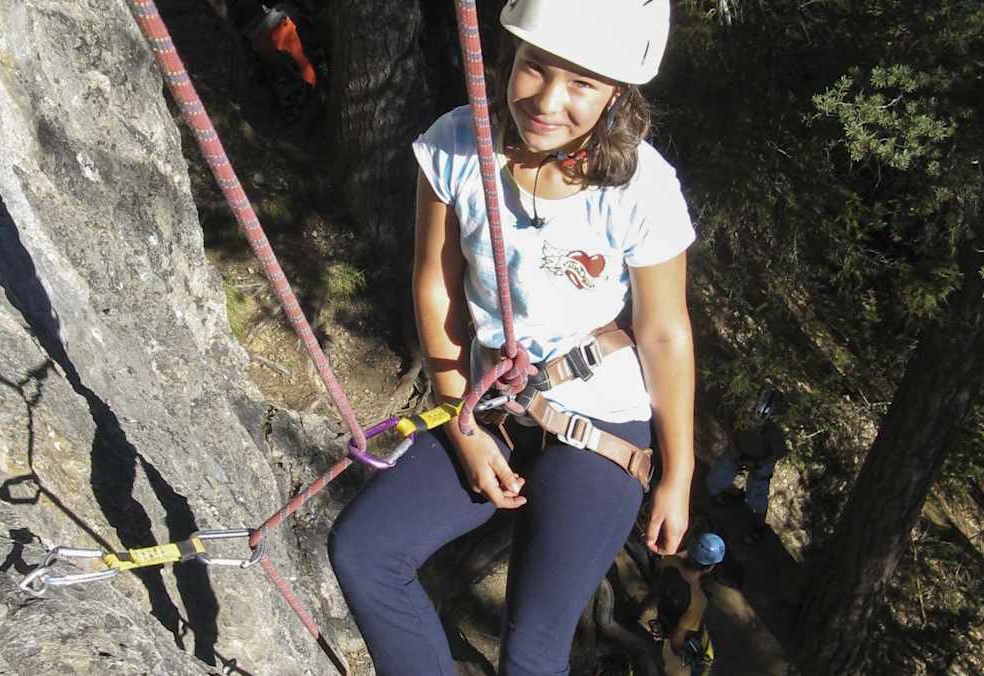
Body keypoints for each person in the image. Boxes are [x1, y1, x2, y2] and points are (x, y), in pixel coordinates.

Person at [328, 1, 696, 673]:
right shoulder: (456, 143)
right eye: (534, 68)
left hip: (601, 420)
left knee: (531, 648)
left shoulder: (641, 187)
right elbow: (435, 284)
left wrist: (679, 472)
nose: (547, 100)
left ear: (617, 93)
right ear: (507, 59)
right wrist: (459, 420)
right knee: (366, 551)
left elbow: (663, 332)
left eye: (581, 83)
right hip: (488, 403)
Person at [706, 387, 789, 544]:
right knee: (715, 478)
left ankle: (758, 526)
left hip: (760, 461)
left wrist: (759, 463)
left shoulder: (773, 431)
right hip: (738, 450)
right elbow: (729, 426)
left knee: (757, 494)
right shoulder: (740, 413)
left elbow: (780, 452)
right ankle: (724, 494)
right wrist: (736, 450)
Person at [638, 532, 724, 676]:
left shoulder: (669, 562)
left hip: (664, 615)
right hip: (682, 630)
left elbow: (656, 589)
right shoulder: (698, 600)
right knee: (707, 657)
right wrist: (687, 655)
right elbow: (677, 639)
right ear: (710, 567)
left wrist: (640, 608)